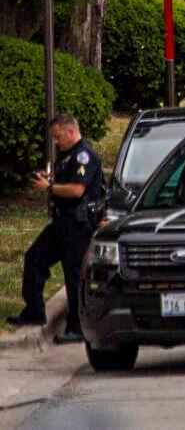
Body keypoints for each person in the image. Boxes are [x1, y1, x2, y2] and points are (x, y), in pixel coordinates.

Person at [7, 114, 105, 343]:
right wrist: (49, 180)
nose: (56, 142)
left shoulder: (84, 155)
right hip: (61, 223)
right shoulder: (68, 156)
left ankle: (78, 327)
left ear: (70, 132)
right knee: (35, 258)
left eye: (58, 137)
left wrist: (49, 187)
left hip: (77, 226)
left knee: (73, 276)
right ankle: (34, 311)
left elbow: (77, 191)